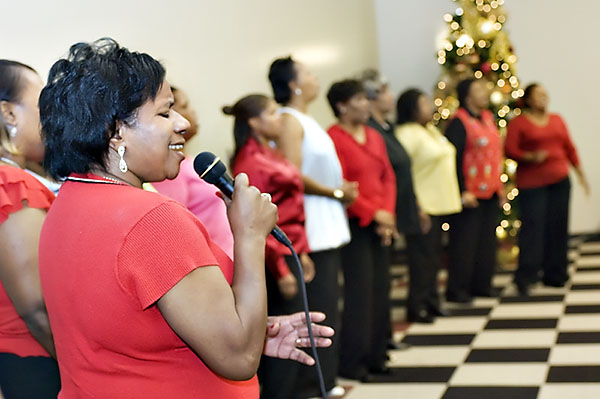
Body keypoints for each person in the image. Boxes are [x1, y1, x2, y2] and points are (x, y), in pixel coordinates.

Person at [37, 38, 333, 399]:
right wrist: (251, 236)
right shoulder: (152, 218)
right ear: (116, 133)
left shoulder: (67, 202)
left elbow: (122, 327)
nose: (182, 123)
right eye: (164, 113)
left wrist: (254, 329)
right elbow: (239, 357)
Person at [268, 56, 356, 398]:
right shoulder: (289, 121)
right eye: (308, 74)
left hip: (327, 224)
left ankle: (325, 382)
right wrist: (335, 191)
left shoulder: (306, 119)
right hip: (311, 229)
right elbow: (292, 176)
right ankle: (311, 386)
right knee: (315, 312)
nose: (315, 78)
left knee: (329, 307)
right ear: (293, 84)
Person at [226, 93, 315, 399]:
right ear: (254, 121)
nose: (280, 120)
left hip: (290, 245)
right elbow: (258, 223)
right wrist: (281, 269)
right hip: (271, 255)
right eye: (273, 113)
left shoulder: (270, 153)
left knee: (294, 331)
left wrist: (300, 252)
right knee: (279, 334)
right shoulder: (250, 161)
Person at [326, 79, 397, 381]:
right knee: (360, 293)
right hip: (355, 222)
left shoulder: (373, 135)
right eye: (359, 99)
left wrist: (388, 215)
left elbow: (387, 176)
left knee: (382, 289)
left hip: (381, 221)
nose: (366, 104)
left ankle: (377, 355)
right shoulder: (334, 137)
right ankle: (353, 362)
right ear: (342, 106)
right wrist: (374, 213)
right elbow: (339, 184)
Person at [0, 60, 60, 398]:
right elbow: (36, 307)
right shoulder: (10, 183)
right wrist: (77, 366)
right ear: (8, 113)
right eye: (41, 105)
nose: (49, 119)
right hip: (34, 359)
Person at [505, 83, 589, 295]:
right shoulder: (519, 123)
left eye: (545, 94)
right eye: (539, 94)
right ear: (529, 100)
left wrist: (580, 174)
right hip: (532, 184)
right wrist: (530, 157)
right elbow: (510, 149)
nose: (544, 97)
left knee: (558, 227)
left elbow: (569, 147)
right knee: (533, 229)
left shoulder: (557, 119)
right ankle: (527, 275)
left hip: (559, 181)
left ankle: (556, 273)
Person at [395, 88, 463, 320]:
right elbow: (404, 173)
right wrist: (417, 206)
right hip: (424, 205)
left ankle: (432, 300)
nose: (430, 106)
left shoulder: (431, 130)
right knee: (421, 260)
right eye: (423, 103)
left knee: (434, 259)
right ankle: (417, 306)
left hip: (441, 204)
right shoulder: (406, 133)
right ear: (411, 108)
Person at [152, 86, 234, 257]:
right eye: (185, 106)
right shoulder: (169, 170)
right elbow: (174, 228)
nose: (190, 114)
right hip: (208, 263)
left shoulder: (188, 160)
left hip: (227, 258)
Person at [445, 78, 504, 303]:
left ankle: (482, 285)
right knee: (464, 243)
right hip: (469, 194)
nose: (485, 92)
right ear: (467, 96)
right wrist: (461, 190)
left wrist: (500, 186)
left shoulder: (488, 118)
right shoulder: (459, 122)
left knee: (486, 242)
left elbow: (495, 154)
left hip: (490, 191)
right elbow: (454, 158)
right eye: (479, 89)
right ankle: (458, 289)